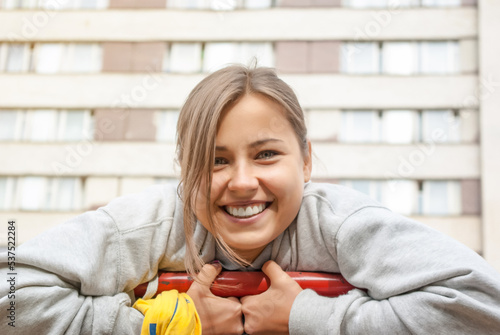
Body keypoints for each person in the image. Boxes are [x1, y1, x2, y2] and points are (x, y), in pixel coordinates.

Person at [1, 65, 500, 335]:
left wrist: (311, 319)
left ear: (305, 161)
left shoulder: (344, 224)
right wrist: (159, 327)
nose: (241, 182)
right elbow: (10, 296)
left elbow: (481, 305)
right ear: (184, 170)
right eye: (215, 161)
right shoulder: (148, 224)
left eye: (265, 154)